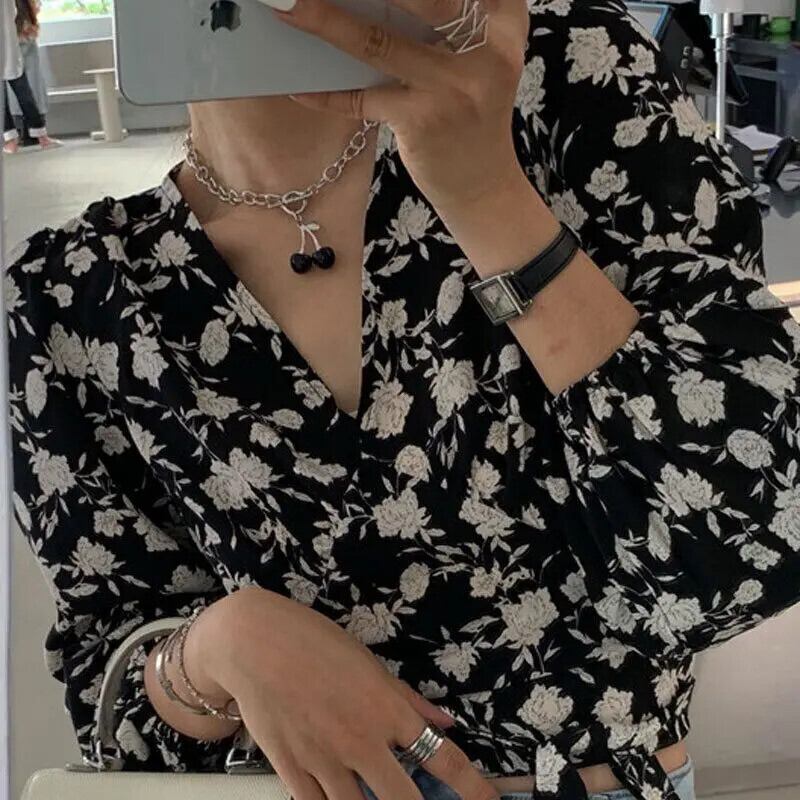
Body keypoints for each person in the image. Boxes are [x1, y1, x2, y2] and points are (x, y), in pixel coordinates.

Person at [6, 1, 800, 800]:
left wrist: (488, 196)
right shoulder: (70, 294)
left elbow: (744, 553)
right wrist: (215, 649)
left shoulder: (563, 72)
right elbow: (111, 689)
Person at [3, 0, 57, 153]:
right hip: (12, 47)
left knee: (23, 93)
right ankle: (22, 139)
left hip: (12, 48)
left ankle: (29, 137)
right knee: (20, 94)